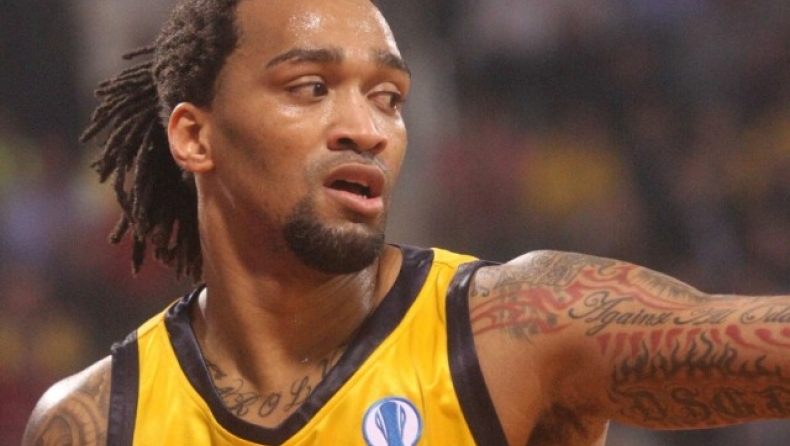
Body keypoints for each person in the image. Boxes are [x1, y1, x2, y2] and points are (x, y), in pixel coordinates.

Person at [20, 0, 790, 445]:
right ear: (195, 136)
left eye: (388, 97)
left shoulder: (513, 330)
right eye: (311, 87)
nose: (368, 129)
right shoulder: (96, 422)